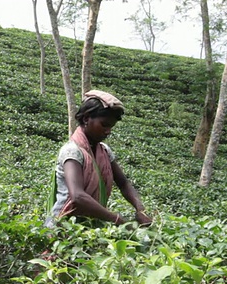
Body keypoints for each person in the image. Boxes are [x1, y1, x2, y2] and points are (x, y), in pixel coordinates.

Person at [46, 90, 152, 227]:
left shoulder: (105, 151)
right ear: (86, 119)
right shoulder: (72, 152)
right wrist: (115, 218)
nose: (108, 131)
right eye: (104, 125)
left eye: (111, 127)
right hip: (63, 225)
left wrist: (140, 209)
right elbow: (77, 196)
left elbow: (123, 183)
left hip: (91, 225)